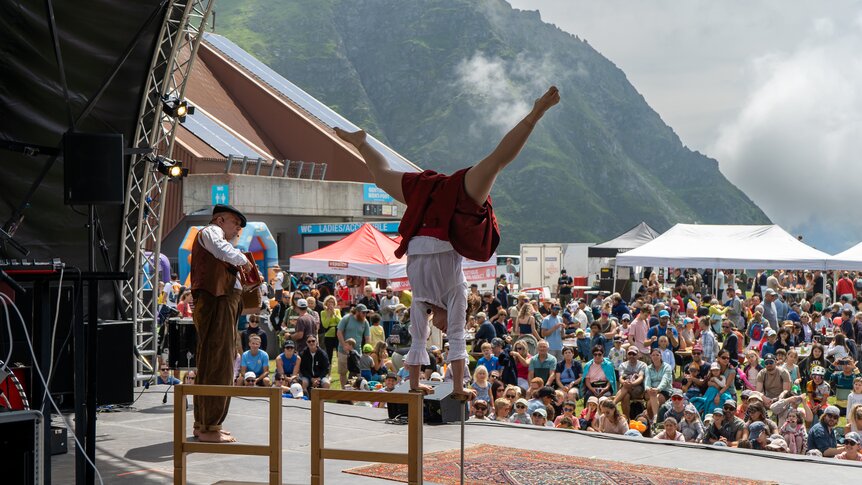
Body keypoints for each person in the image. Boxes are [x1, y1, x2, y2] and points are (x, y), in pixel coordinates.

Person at [335, 86, 559, 400]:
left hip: (427, 212)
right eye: (463, 320)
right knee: (494, 162)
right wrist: (458, 389)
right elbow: (455, 338)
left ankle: (362, 142)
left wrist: (415, 385)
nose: (441, 326)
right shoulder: (457, 292)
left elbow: (417, 339)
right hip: (456, 209)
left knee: (382, 176)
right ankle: (535, 113)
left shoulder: (422, 301)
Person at [189, 204, 253, 443]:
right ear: (219, 219)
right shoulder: (210, 233)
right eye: (235, 222)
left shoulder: (218, 241)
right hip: (217, 302)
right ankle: (208, 426)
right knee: (218, 362)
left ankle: (206, 423)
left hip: (223, 302)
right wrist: (243, 261)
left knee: (215, 361)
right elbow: (221, 249)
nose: (238, 228)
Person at [336, 304, 371, 388]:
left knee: (356, 373)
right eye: (363, 313)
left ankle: (355, 390)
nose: (365, 315)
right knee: (343, 372)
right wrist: (344, 345)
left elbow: (367, 337)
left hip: (357, 352)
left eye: (366, 313)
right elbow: (339, 332)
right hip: (343, 351)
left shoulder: (365, 321)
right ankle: (344, 390)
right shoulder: (346, 318)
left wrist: (367, 349)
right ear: (357, 312)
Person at [614, 347, 647, 418]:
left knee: (625, 389)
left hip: (638, 388)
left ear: (638, 355)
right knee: (626, 396)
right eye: (629, 354)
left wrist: (632, 384)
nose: (631, 356)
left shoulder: (642, 365)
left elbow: (641, 377)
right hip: (626, 386)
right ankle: (627, 419)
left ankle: (613, 403)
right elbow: (621, 378)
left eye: (634, 354)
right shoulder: (623, 365)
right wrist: (624, 382)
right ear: (627, 355)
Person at [644, 347, 674, 418]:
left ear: (661, 356)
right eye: (653, 355)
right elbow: (647, 380)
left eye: (657, 355)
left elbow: (665, 380)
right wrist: (648, 388)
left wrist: (658, 389)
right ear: (650, 356)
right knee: (650, 404)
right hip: (651, 391)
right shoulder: (648, 368)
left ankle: (655, 418)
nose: (655, 357)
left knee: (652, 403)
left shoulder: (667, 367)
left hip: (664, 391)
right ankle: (654, 419)